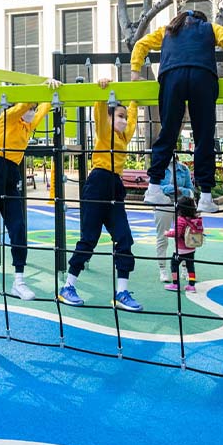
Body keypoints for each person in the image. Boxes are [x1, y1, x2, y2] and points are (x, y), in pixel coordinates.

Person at [131, 9, 223, 214]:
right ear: (202, 20)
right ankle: (206, 197)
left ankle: (154, 186)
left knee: (168, 132)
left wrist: (135, 72)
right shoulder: (209, 28)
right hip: (203, 76)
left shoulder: (167, 30)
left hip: (172, 76)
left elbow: (140, 44)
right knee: (204, 135)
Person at [0, 79, 62, 302]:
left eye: (33, 110)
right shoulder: (7, 118)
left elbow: (44, 106)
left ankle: (19, 281)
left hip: (12, 174)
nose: (31, 112)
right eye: (30, 108)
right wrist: (38, 91)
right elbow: (23, 105)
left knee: (18, 227)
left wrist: (51, 87)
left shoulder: (30, 124)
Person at [58, 79, 142, 311]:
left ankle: (122, 292)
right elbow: (99, 112)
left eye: (124, 116)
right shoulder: (105, 132)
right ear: (109, 118)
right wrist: (102, 90)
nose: (124, 120)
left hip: (115, 186)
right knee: (89, 239)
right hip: (97, 184)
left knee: (124, 238)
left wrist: (134, 95)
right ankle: (67, 287)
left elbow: (133, 117)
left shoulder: (125, 137)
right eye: (119, 116)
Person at [144, 161, 194, 283]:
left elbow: (190, 190)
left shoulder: (183, 168)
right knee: (162, 236)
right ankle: (163, 269)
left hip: (181, 205)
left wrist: (177, 190)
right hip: (163, 204)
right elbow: (155, 188)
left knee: (185, 237)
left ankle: (185, 269)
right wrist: (176, 189)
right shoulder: (158, 167)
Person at [164, 196, 204, 293]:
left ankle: (175, 284)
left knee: (174, 264)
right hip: (191, 247)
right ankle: (191, 285)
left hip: (181, 248)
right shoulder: (196, 219)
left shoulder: (181, 219)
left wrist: (167, 233)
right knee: (190, 266)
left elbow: (177, 233)